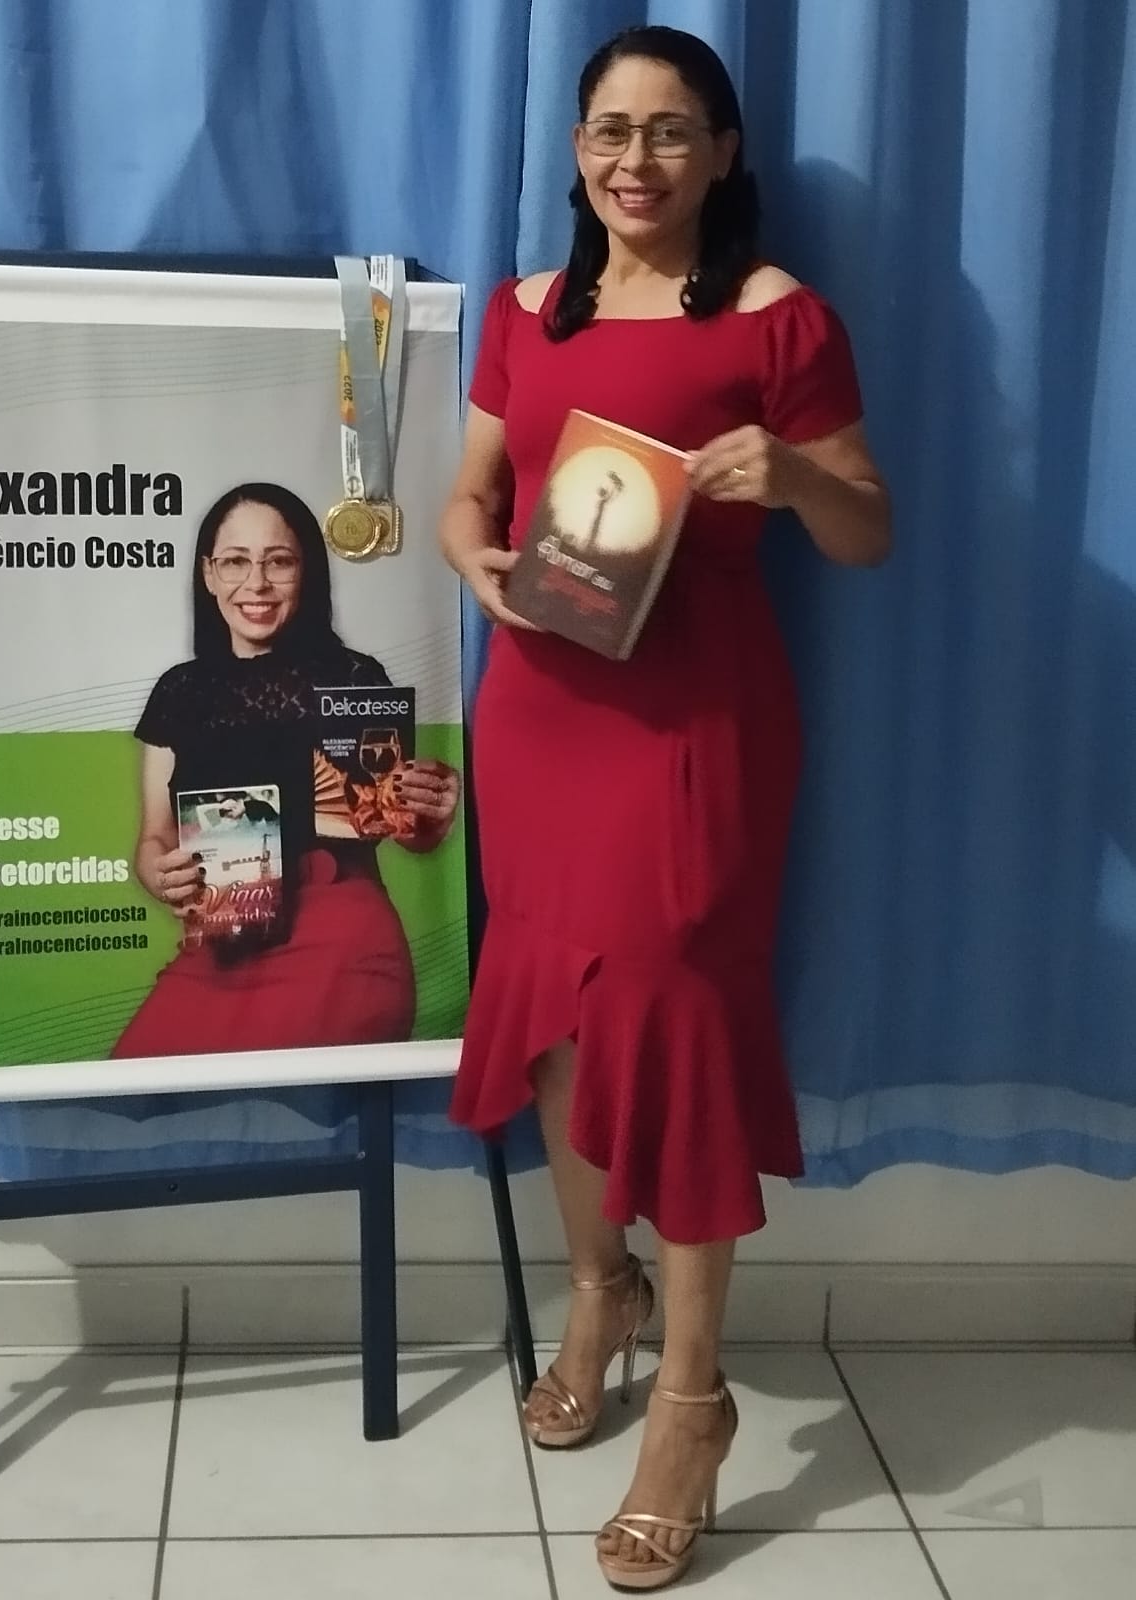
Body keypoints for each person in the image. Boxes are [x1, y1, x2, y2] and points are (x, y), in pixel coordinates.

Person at [442, 25, 890, 1592]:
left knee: (677, 1028)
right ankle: (599, 1292)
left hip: (698, 730)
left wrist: (798, 477)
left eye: (672, 131)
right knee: (557, 1024)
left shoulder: (777, 318)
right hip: (541, 716)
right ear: (577, 150)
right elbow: (469, 494)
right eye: (611, 131)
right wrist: (473, 559)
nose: (637, 160)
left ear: (721, 152)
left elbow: (868, 531)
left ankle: (692, 1405)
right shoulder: (525, 312)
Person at [113, 482, 460, 1059]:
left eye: (279, 561)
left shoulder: (355, 678)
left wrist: (430, 811)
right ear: (208, 573)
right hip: (221, 939)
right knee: (130, 1089)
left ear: (307, 573)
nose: (257, 583)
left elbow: (403, 828)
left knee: (295, 1110)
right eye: (235, 562)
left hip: (340, 936)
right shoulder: (179, 692)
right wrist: (161, 875)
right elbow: (155, 838)